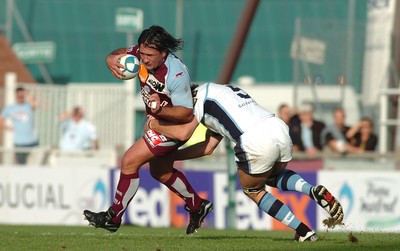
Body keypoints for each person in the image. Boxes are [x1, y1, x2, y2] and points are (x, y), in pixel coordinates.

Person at [147, 83, 344, 242]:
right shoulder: (223, 91)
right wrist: (176, 157)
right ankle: (312, 190)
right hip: (277, 127)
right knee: (272, 177)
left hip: (254, 139)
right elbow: (208, 147)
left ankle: (303, 231)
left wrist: (154, 124)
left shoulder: (195, 100)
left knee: (253, 190)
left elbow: (183, 133)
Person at [83, 25, 212, 235]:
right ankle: (198, 206)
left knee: (129, 161)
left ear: (163, 53)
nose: (144, 59)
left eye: (150, 55)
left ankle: (112, 217)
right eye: (141, 53)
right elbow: (119, 53)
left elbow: (185, 114)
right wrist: (109, 59)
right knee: (160, 172)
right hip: (158, 120)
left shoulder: (176, 75)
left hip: (171, 126)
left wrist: (159, 109)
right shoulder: (141, 53)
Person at [0, 87, 39, 165]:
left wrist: (28, 95)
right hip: (19, 142)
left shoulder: (28, 105)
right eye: (19, 95)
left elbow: (35, 105)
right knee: (21, 165)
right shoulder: (11, 108)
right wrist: (7, 127)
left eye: (22, 94)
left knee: (36, 164)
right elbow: (1, 119)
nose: (21, 96)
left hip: (32, 141)